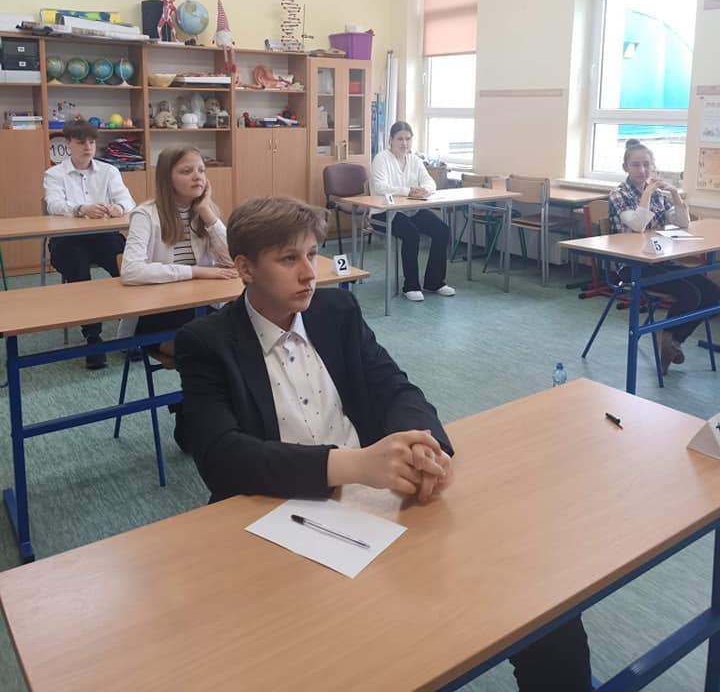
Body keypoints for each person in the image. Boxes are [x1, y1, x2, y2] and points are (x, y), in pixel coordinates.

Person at [175, 196, 592, 691]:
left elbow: (396, 388)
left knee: (547, 610)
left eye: (313, 254)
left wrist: (424, 445)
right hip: (274, 519)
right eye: (289, 259)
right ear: (245, 269)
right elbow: (223, 457)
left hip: (373, 503)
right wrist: (353, 465)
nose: (309, 273)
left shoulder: (336, 310)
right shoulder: (207, 342)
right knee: (354, 656)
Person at [120, 146, 236, 449]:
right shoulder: (146, 214)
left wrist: (207, 213)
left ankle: (202, 414)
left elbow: (234, 262)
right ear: (166, 177)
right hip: (156, 314)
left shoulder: (205, 212)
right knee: (207, 351)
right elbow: (131, 271)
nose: (197, 177)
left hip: (200, 309)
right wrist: (196, 272)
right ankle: (193, 416)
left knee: (234, 344)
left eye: (201, 170)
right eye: (186, 171)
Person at [609, 137, 720, 375]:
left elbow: (682, 222)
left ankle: (672, 340)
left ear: (653, 166)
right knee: (690, 294)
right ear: (625, 167)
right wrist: (647, 193)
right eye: (636, 165)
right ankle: (669, 339)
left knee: (713, 293)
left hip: (660, 259)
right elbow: (637, 225)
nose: (642, 170)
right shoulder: (618, 194)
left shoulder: (659, 194)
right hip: (632, 265)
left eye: (646, 164)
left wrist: (675, 196)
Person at [43, 119, 134, 369]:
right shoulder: (54, 174)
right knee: (80, 275)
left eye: (92, 142)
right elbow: (53, 205)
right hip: (67, 240)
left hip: (103, 236)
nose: (88, 147)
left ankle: (129, 331)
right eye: (81, 142)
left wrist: (118, 208)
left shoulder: (109, 171)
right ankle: (93, 337)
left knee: (129, 269)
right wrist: (81, 209)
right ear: (68, 144)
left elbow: (128, 201)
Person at [370, 121, 455, 302]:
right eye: (400, 139)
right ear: (391, 140)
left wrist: (425, 190)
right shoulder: (381, 159)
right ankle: (411, 286)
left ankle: (435, 282)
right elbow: (380, 187)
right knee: (411, 235)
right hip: (384, 212)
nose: (404, 143)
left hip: (410, 209)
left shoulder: (415, 160)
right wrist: (408, 191)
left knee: (442, 230)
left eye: (408, 139)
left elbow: (430, 182)